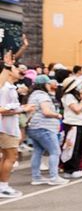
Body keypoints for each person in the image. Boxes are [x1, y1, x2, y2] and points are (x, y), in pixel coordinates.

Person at [0, 58, 34, 198]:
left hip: (8, 126)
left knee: (6, 157)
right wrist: (23, 109)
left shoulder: (10, 88)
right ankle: (3, 186)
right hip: (6, 127)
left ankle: (2, 185)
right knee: (11, 157)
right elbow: (2, 109)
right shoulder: (6, 89)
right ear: (8, 73)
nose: (18, 71)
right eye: (14, 69)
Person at [25, 75, 68, 186]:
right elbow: (46, 112)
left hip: (34, 127)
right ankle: (54, 177)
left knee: (37, 151)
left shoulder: (33, 95)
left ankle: (36, 177)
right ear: (44, 84)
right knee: (55, 151)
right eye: (48, 83)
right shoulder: (43, 96)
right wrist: (58, 115)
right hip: (44, 127)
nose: (50, 85)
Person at [59, 75, 82, 178]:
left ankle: (76, 167)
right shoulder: (68, 97)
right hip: (73, 124)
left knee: (81, 146)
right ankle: (71, 169)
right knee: (73, 147)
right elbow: (76, 109)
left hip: (80, 123)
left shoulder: (75, 96)